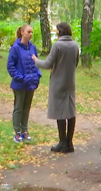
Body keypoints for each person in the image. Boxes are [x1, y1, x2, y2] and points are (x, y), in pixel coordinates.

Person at [32, 22, 80, 153]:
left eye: (57, 31)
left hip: (58, 82)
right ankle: (69, 143)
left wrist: (35, 60)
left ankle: (62, 142)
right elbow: (75, 62)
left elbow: (48, 63)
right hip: (70, 82)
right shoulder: (75, 45)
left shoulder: (57, 45)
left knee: (60, 112)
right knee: (70, 111)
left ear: (60, 32)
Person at [7, 24, 42, 143]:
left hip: (31, 83)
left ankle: (24, 131)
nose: (30, 34)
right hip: (19, 84)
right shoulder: (16, 47)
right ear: (22, 32)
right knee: (19, 108)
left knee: (26, 108)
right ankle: (17, 133)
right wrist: (20, 78)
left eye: (32, 32)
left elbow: (36, 63)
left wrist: (37, 75)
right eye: (28, 32)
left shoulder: (33, 47)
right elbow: (10, 66)